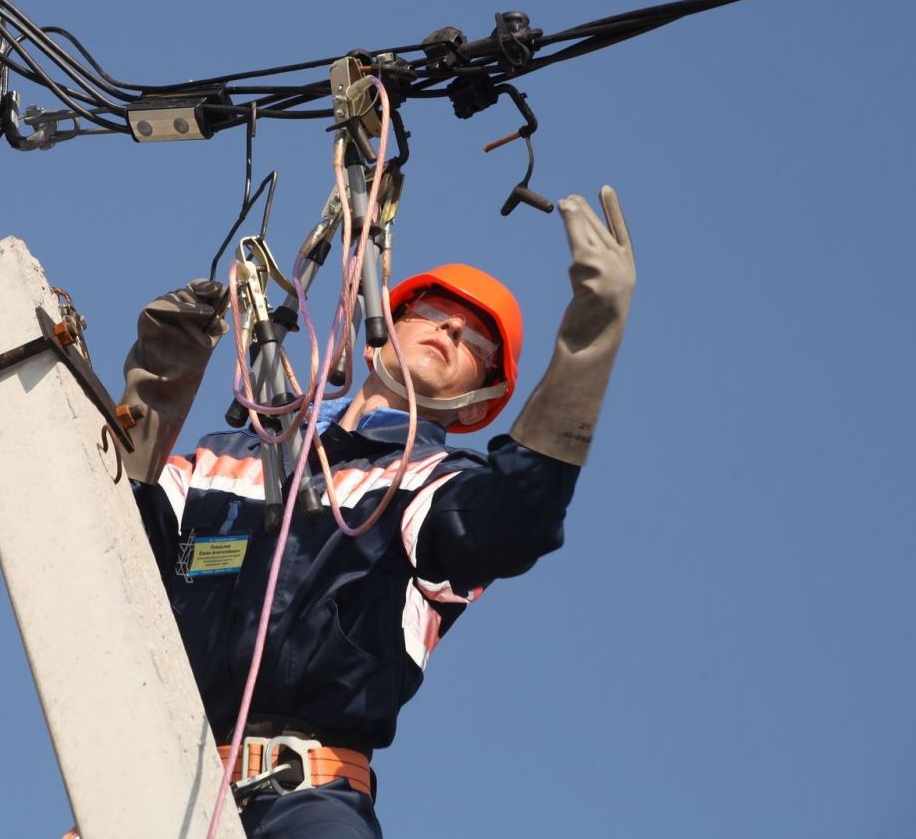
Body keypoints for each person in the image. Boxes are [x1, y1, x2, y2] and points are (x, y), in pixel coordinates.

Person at [119, 187, 636, 838]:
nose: (450, 329)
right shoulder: (228, 460)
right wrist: (159, 377)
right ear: (375, 333)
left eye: (476, 339)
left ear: (482, 398)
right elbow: (102, 526)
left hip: (304, 801)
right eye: (432, 312)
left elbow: (516, 516)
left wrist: (593, 334)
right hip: (149, 785)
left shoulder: (435, 486)